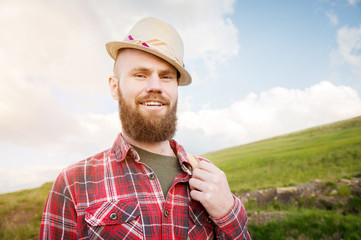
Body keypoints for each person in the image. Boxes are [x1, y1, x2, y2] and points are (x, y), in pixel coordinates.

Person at [40, 17, 251, 239]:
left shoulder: (207, 175)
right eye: (140, 75)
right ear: (114, 87)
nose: (155, 87)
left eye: (166, 76)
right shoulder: (74, 182)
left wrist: (228, 213)